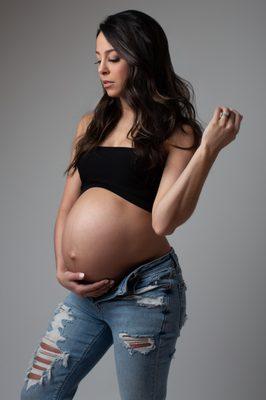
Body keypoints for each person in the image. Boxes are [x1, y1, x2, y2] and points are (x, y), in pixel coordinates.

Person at [20, 9, 243, 400]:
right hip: (86, 296)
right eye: (98, 59)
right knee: (38, 394)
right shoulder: (91, 125)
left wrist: (208, 149)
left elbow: (164, 221)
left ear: (140, 58)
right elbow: (66, 206)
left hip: (146, 292)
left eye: (114, 58)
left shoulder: (176, 131)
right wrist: (61, 265)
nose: (102, 69)